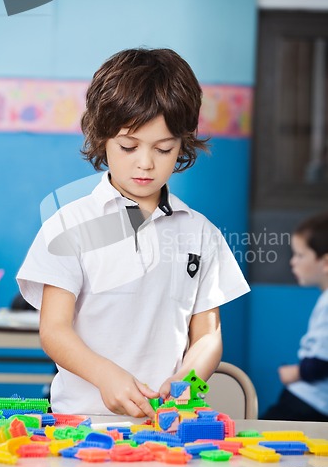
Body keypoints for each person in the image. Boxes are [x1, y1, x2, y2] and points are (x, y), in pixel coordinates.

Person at [17, 48, 250, 418]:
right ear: (102, 138)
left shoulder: (200, 233)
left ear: (183, 145)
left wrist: (188, 384)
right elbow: (54, 330)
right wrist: (105, 375)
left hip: (166, 430)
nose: (145, 163)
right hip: (79, 427)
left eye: (163, 148)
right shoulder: (68, 226)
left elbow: (208, 336)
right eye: (128, 146)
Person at [262, 212, 328, 421]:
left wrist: (295, 372)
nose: (293, 262)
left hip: (308, 404)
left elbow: (322, 363)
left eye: (300, 255)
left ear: (325, 262)